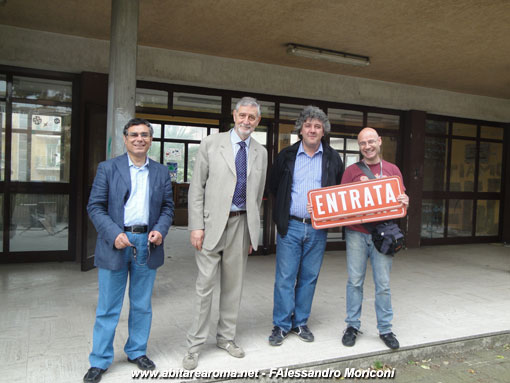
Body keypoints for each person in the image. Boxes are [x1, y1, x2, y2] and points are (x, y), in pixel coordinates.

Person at [83, 118, 174, 383]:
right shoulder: (108, 168)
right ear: (125, 139)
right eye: (134, 134)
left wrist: (160, 229)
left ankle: (136, 351)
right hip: (116, 242)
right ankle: (99, 360)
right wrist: (114, 234)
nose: (139, 139)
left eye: (144, 135)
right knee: (108, 307)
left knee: (142, 304)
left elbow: (168, 207)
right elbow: (95, 206)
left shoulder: (159, 172)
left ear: (151, 139)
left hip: (148, 242)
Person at [183, 97, 268, 370]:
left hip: (241, 224)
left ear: (257, 120)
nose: (246, 121)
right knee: (204, 286)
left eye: (252, 117)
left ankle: (226, 338)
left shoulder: (261, 152)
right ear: (234, 115)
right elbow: (197, 188)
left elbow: (257, 196)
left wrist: (254, 232)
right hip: (211, 225)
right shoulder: (211, 143)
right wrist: (196, 225)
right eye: (242, 115)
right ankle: (194, 346)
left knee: (233, 287)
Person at [268, 106, 344, 346]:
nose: (312, 130)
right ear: (300, 129)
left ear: (324, 131)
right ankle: (281, 325)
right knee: (285, 277)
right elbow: (273, 187)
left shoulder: (333, 158)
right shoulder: (286, 156)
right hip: (290, 227)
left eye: (318, 126)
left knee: (309, 277)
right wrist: (280, 215)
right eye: (308, 125)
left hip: (317, 229)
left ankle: (300, 322)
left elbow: (340, 191)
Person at [340, 127, 409, 350]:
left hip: (383, 235)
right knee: (355, 282)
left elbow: (401, 207)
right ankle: (352, 325)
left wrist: (404, 202)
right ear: (359, 146)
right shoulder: (351, 171)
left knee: (383, 284)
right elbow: (339, 204)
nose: (367, 146)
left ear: (379, 142)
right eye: (362, 143)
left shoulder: (392, 169)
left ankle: (385, 329)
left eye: (371, 141)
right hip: (356, 233)